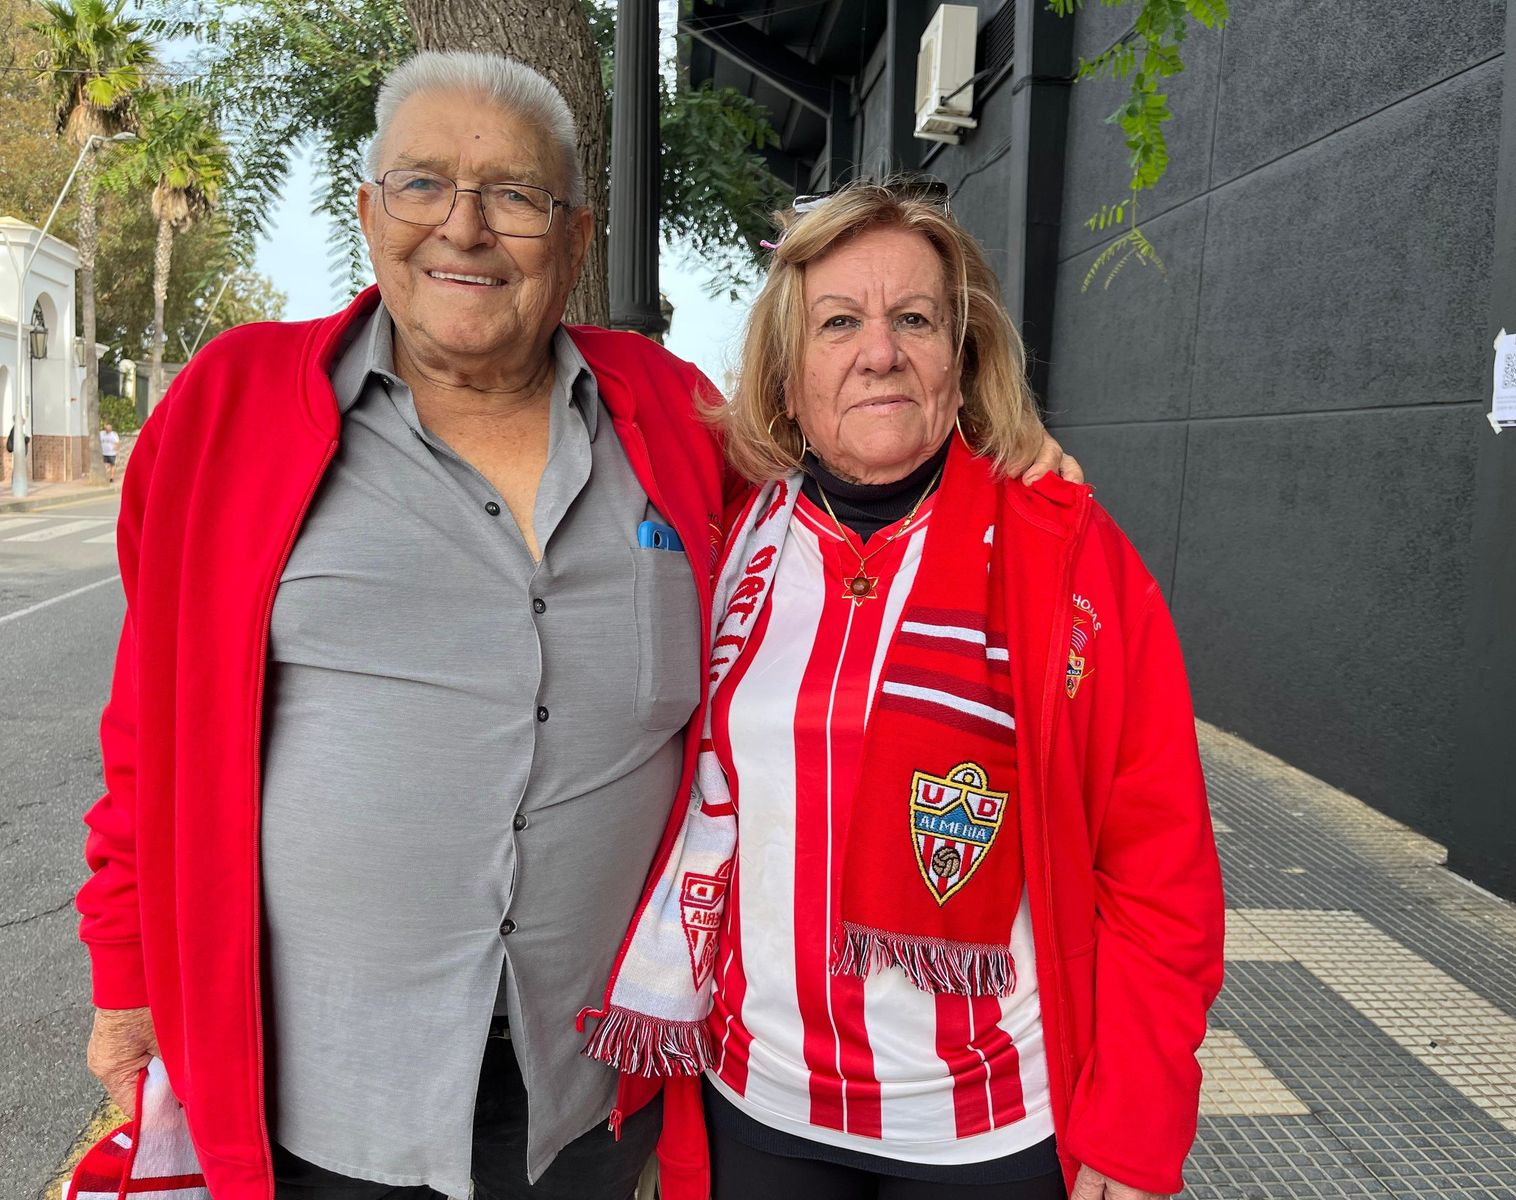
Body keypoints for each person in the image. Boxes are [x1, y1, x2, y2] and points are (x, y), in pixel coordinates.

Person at [78, 52, 1078, 1200]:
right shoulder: (231, 405)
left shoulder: (669, 414)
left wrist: (1003, 465)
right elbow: (148, 725)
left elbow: (851, 484)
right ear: (367, 210)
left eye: (515, 196)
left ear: (577, 232)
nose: (463, 228)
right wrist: (125, 975)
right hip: (323, 1087)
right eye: (420, 185)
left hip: (592, 1084)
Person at [590, 184, 1225, 1200]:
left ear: (960, 365)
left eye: (915, 320)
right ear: (788, 379)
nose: (878, 352)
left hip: (987, 1127)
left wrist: (1139, 1121)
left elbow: (1160, 868)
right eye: (837, 323)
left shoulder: (1064, 556)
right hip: (758, 1105)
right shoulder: (723, 536)